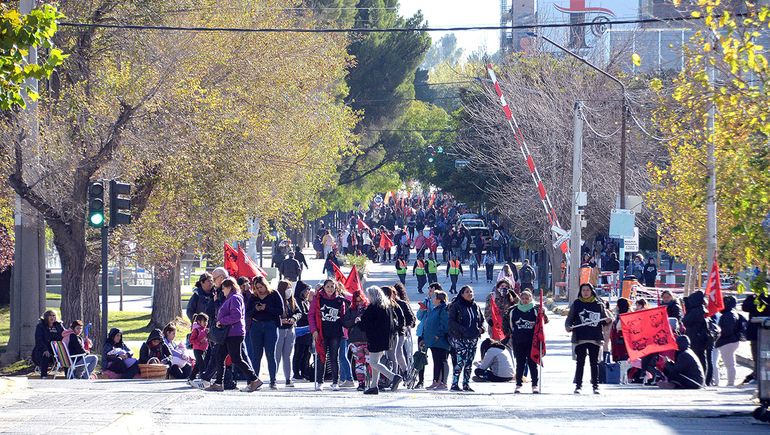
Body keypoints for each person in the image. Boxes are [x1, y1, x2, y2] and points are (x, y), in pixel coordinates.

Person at [205, 277, 262, 392]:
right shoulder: (231, 298)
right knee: (219, 357)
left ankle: (254, 379)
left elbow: (236, 316)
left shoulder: (235, 298)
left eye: (224, 288)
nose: (223, 291)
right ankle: (218, 383)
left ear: (229, 287)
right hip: (229, 333)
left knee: (236, 358)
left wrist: (222, 321)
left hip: (234, 333)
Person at [565, 283, 612, 394]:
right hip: (580, 337)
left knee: (594, 363)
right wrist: (568, 327)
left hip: (594, 338)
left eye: (587, 290)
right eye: (583, 290)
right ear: (580, 292)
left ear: (591, 291)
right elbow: (569, 319)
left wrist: (608, 320)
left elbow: (605, 319)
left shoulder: (598, 304)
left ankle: (595, 386)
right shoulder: (576, 304)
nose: (585, 292)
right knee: (580, 362)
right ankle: (578, 385)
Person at [360, 286, 403, 395]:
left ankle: (393, 377)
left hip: (375, 338)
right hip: (385, 338)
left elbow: (365, 324)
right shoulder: (387, 306)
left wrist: (358, 321)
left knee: (373, 362)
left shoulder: (373, 307)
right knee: (376, 362)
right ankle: (374, 386)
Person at [246, 275, 284, 389]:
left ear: (265, 285)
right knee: (256, 355)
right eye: (256, 288)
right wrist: (256, 309)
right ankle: (255, 380)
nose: (259, 290)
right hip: (256, 326)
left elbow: (280, 310)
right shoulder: (253, 297)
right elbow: (247, 313)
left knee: (270, 354)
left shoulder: (274, 294)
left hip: (270, 325)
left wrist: (266, 308)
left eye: (261, 287)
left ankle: (273, 380)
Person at [309, 279, 347, 391]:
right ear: (324, 288)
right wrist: (314, 330)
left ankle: (335, 382)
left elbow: (343, 317)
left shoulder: (340, 300)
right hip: (321, 333)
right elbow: (311, 315)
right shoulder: (318, 299)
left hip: (335, 333)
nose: (330, 289)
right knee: (321, 357)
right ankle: (320, 382)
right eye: (328, 286)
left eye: (332, 286)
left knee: (334, 358)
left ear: (335, 288)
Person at [509, 290, 548, 393]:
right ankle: (518, 384)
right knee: (520, 363)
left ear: (531, 299)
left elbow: (544, 322)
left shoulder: (535, 310)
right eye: (523, 298)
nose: (525, 301)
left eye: (527, 298)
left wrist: (543, 312)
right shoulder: (514, 311)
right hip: (518, 341)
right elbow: (510, 325)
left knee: (532, 364)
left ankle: (534, 384)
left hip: (532, 342)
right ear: (520, 299)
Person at [448, 285, 485, 392]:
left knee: (469, 362)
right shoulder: (456, 306)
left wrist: (481, 329)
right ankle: (454, 384)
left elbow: (481, 320)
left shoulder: (475, 306)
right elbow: (451, 322)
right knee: (461, 361)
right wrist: (462, 329)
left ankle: (466, 384)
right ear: (462, 294)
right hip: (460, 338)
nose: (470, 294)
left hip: (473, 338)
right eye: (467, 292)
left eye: (471, 292)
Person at [418, 289, 450, 391]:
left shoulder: (443, 309)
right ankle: (435, 381)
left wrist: (438, 335)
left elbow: (444, 324)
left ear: (439, 299)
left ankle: (443, 382)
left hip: (440, 340)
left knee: (442, 360)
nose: (432, 299)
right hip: (432, 341)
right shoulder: (435, 309)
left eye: (434, 297)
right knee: (436, 361)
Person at [682, 290, 716, 386]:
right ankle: (704, 380)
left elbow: (686, 321)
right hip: (699, 339)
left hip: (697, 340)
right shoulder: (700, 309)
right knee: (703, 359)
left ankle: (702, 379)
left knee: (700, 360)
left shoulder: (697, 311)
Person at [273, 280, 301, 387]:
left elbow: (298, 312)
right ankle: (273, 379)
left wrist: (294, 318)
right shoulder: (276, 299)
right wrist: (281, 320)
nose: (289, 290)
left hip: (290, 330)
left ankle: (288, 379)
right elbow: (273, 313)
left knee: (287, 356)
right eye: (287, 288)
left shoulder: (291, 301)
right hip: (279, 330)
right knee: (277, 356)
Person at [715, 295, 745, 387]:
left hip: (727, 341)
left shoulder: (728, 315)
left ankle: (731, 383)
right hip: (731, 341)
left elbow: (727, 330)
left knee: (729, 364)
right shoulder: (732, 313)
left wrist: (719, 335)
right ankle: (731, 382)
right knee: (731, 363)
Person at [343, 289, 369, 391]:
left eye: (360, 300)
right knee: (359, 362)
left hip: (368, 339)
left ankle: (372, 382)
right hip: (355, 340)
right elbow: (345, 323)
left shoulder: (368, 309)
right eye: (357, 301)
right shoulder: (351, 310)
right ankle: (361, 383)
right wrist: (354, 320)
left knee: (370, 362)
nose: (359, 303)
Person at [741, 291, 770, 384]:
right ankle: (758, 376)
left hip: (766, 331)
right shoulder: (754, 298)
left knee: (764, 357)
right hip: (755, 333)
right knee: (757, 356)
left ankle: (761, 378)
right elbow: (745, 307)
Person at [32, 310, 64, 379]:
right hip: (42, 350)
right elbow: (39, 340)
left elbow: (64, 335)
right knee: (45, 354)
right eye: (50, 315)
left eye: (54, 315)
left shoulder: (58, 326)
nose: (52, 317)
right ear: (46, 317)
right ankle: (44, 375)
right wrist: (45, 349)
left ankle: (69, 374)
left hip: (56, 350)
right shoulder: (40, 326)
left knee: (65, 354)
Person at [292, 281, 313, 381]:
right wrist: (311, 316)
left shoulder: (306, 301)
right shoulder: (297, 301)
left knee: (306, 353)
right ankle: (296, 372)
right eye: (306, 290)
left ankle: (304, 372)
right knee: (298, 352)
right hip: (300, 330)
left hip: (308, 330)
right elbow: (302, 315)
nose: (308, 292)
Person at [609, 298, 631, 384]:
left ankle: (622, 378)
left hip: (619, 340)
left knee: (622, 361)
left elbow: (618, 328)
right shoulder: (629, 314)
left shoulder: (621, 316)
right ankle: (624, 378)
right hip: (624, 341)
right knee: (625, 361)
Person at [188, 313, 209, 384]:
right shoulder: (196, 330)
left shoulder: (205, 330)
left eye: (207, 321)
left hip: (203, 349)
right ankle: (204, 378)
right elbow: (191, 340)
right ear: (199, 322)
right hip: (197, 349)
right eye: (204, 321)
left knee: (197, 365)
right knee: (202, 364)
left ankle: (191, 378)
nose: (206, 323)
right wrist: (199, 341)